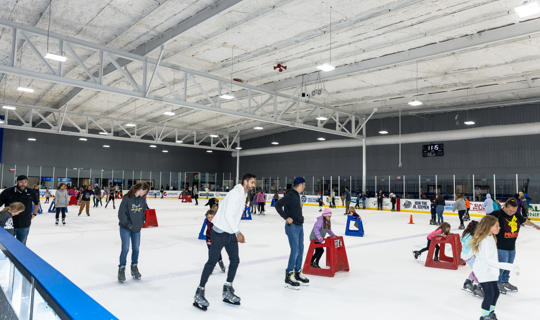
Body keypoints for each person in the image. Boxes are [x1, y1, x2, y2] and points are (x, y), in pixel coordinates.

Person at [193, 173, 255, 311]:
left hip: (230, 233)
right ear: (245, 182)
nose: (254, 185)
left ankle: (227, 288)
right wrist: (238, 232)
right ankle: (199, 291)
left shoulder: (244, 194)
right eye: (252, 182)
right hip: (220, 232)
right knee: (212, 261)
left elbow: (234, 216)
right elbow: (227, 215)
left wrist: (235, 231)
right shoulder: (235, 193)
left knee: (235, 260)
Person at [464, 215, 520, 320]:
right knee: (489, 294)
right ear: (488, 227)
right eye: (496, 226)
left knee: (496, 293)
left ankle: (490, 312)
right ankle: (485, 316)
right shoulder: (485, 240)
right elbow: (488, 260)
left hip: (490, 271)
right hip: (483, 271)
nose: (499, 228)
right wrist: (509, 266)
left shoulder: (490, 237)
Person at [488, 198, 540, 293]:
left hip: (511, 246)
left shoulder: (516, 214)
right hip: (500, 246)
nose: (511, 212)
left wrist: (534, 225)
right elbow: (485, 222)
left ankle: (505, 281)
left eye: (514, 211)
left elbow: (524, 221)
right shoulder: (497, 214)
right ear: (504, 207)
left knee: (509, 266)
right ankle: (498, 283)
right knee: (502, 266)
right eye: (509, 210)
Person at [275, 177, 309, 290]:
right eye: (304, 184)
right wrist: (286, 217)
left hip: (299, 225)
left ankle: (297, 273)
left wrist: (300, 217)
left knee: (300, 250)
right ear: (300, 184)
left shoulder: (296, 195)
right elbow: (278, 205)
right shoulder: (290, 195)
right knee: (295, 250)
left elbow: (294, 209)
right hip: (292, 227)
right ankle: (289, 276)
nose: (304, 186)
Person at [117, 182, 149, 283]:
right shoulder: (127, 199)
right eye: (145, 191)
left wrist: (141, 222)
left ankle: (134, 267)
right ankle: (121, 268)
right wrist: (127, 224)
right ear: (141, 189)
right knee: (125, 249)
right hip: (125, 228)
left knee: (136, 249)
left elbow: (143, 211)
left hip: (136, 229)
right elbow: (121, 214)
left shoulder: (143, 200)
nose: (145, 193)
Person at [0, 175, 39, 245]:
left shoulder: (31, 192)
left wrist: (34, 214)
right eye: (21, 182)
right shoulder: (7, 192)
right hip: (9, 224)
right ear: (16, 182)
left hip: (24, 224)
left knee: (22, 245)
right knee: (7, 245)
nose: (23, 184)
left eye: (25, 182)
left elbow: (37, 203)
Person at [460, 220, 483, 297]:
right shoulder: (470, 237)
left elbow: (461, 239)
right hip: (468, 256)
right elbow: (471, 248)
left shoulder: (469, 235)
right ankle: (477, 286)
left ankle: (468, 281)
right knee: (478, 270)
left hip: (469, 255)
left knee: (477, 269)